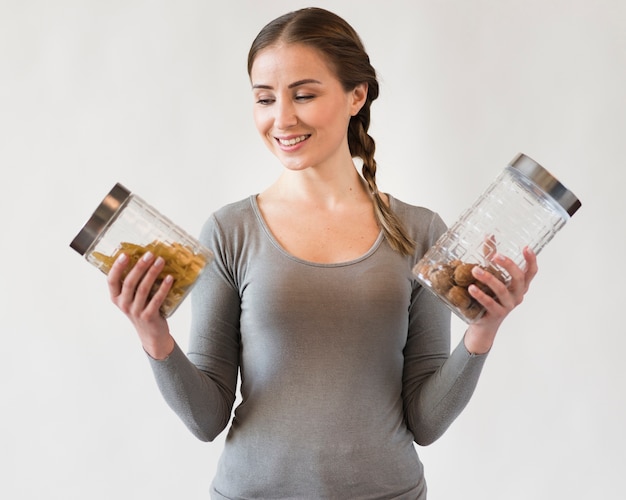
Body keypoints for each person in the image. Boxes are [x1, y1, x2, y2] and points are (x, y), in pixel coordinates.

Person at [106, 7, 538, 499]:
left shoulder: (420, 232)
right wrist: (153, 333)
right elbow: (206, 419)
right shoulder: (230, 231)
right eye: (265, 99)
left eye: (304, 95)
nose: (282, 118)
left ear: (357, 95)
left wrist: (483, 331)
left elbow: (426, 421)